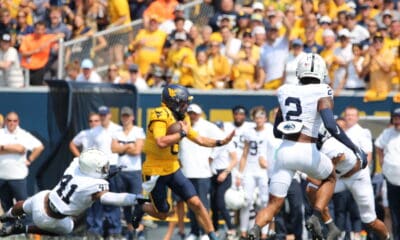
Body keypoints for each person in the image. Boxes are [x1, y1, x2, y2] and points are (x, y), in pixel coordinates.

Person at [247, 53, 367, 240]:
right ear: (322, 72)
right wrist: (354, 148)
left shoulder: (285, 90)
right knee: (330, 177)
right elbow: (330, 125)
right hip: (306, 149)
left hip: (285, 151)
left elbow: (277, 132)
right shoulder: (323, 90)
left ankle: (254, 229)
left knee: (273, 204)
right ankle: (316, 216)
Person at [132, 84, 234, 240]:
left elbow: (198, 138)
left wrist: (220, 142)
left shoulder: (182, 117)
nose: (186, 106)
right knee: (163, 214)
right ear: (173, 102)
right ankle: (142, 207)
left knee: (197, 203)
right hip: (155, 171)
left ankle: (212, 236)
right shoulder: (159, 114)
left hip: (173, 168)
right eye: (184, 102)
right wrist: (181, 133)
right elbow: (161, 141)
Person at [0, 149, 146, 236]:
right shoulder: (95, 184)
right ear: (93, 170)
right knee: (66, 228)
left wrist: (104, 173)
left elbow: (85, 166)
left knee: (23, 205)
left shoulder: (75, 165)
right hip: (50, 219)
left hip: (43, 198)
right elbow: (109, 198)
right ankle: (23, 228)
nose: (106, 169)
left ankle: (5, 216)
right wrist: (134, 198)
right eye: (103, 168)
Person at [304, 122, 390, 240]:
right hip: (339, 178)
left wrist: (304, 173)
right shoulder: (317, 148)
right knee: (310, 189)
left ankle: (387, 237)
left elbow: (324, 176)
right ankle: (330, 226)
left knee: (370, 221)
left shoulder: (331, 146)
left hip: (357, 177)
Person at [179, 103, 225, 240]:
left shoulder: (207, 126)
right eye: (190, 112)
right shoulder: (183, 125)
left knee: (203, 205)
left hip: (202, 173)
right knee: (191, 205)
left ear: (200, 114)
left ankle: (206, 232)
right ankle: (194, 231)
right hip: (186, 172)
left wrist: (212, 157)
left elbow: (222, 141)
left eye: (194, 113)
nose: (192, 115)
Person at [236, 106, 272, 239]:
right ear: (253, 118)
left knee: (264, 202)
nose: (259, 119)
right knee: (247, 201)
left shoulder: (270, 131)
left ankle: (264, 233)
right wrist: (239, 174)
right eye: (257, 117)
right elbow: (244, 154)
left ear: (266, 118)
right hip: (250, 170)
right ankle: (244, 232)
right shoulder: (248, 132)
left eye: (261, 116)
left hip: (264, 171)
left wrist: (269, 165)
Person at [111, 106, 146, 239]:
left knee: (138, 201)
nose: (125, 118)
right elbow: (113, 149)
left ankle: (139, 231)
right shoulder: (117, 131)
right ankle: (132, 232)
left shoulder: (138, 131)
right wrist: (128, 146)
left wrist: (121, 147)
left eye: (127, 116)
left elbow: (137, 150)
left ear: (132, 117)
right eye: (123, 116)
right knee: (124, 204)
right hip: (121, 172)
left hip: (134, 172)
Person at [0, 111, 44, 211]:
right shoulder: (1, 133)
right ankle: (9, 225)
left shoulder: (24, 135)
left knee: (23, 204)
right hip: (1, 177)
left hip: (18, 177)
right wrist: (16, 148)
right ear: (6, 122)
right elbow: (20, 149)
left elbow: (39, 147)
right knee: (6, 204)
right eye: (9, 120)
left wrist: (30, 159)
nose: (12, 123)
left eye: (14, 121)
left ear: (18, 122)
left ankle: (25, 225)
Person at [209, 121, 238, 239]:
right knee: (213, 205)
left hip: (224, 174)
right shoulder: (210, 142)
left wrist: (225, 173)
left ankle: (232, 228)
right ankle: (215, 230)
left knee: (220, 203)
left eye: (220, 128)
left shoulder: (227, 142)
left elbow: (234, 159)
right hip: (212, 174)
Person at [375, 108, 400, 240]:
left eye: (399, 118)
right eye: (396, 118)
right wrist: (381, 159)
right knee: (394, 212)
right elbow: (379, 145)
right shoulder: (387, 133)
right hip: (391, 181)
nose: (398, 121)